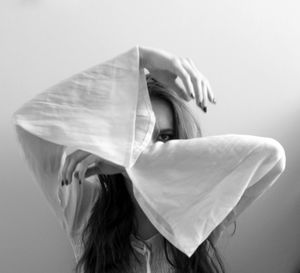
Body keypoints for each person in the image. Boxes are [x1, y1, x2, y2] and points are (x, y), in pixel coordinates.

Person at [12, 46, 286, 273]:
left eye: (164, 139)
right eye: (137, 138)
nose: (145, 150)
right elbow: (29, 124)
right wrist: (141, 59)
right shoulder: (85, 203)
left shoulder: (201, 208)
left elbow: (272, 157)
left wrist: (132, 160)